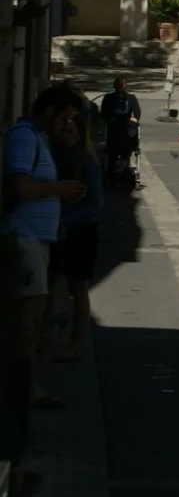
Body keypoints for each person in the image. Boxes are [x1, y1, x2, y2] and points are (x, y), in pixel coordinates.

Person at [5, 85, 87, 409]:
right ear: (49, 112)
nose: (66, 124)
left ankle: (26, 383)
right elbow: (20, 185)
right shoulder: (25, 136)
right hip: (25, 236)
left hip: (38, 238)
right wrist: (59, 189)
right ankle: (22, 387)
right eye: (64, 117)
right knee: (27, 319)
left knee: (34, 317)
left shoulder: (40, 139)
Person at [50, 111, 103, 362]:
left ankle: (75, 343)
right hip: (56, 229)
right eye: (63, 130)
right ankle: (44, 337)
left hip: (80, 232)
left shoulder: (87, 162)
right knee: (48, 285)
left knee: (78, 288)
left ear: (81, 135)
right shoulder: (56, 154)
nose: (65, 135)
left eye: (70, 131)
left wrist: (67, 222)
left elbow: (96, 205)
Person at [100, 75, 142, 189]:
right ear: (115, 86)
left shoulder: (131, 98)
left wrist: (134, 119)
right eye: (119, 85)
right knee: (112, 155)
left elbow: (137, 111)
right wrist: (110, 119)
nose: (121, 88)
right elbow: (104, 112)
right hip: (113, 130)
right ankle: (113, 178)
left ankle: (122, 177)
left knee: (125, 155)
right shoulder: (108, 98)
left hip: (126, 131)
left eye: (123, 85)